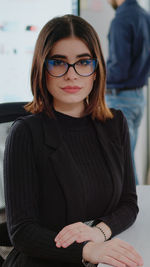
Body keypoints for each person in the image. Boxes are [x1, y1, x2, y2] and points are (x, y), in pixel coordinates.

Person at [3, 14, 143, 267]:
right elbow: (22, 232)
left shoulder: (114, 123)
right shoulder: (25, 133)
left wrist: (97, 232)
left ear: (95, 69)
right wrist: (87, 250)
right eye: (58, 63)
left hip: (100, 255)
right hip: (44, 260)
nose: (72, 75)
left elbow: (128, 203)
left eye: (83, 62)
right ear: (41, 68)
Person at [106, 0, 150, 185]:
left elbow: (119, 68)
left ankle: (137, 210)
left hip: (121, 98)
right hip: (138, 97)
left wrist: (95, 79)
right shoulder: (145, 16)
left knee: (123, 165)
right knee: (127, 160)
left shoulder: (121, 20)